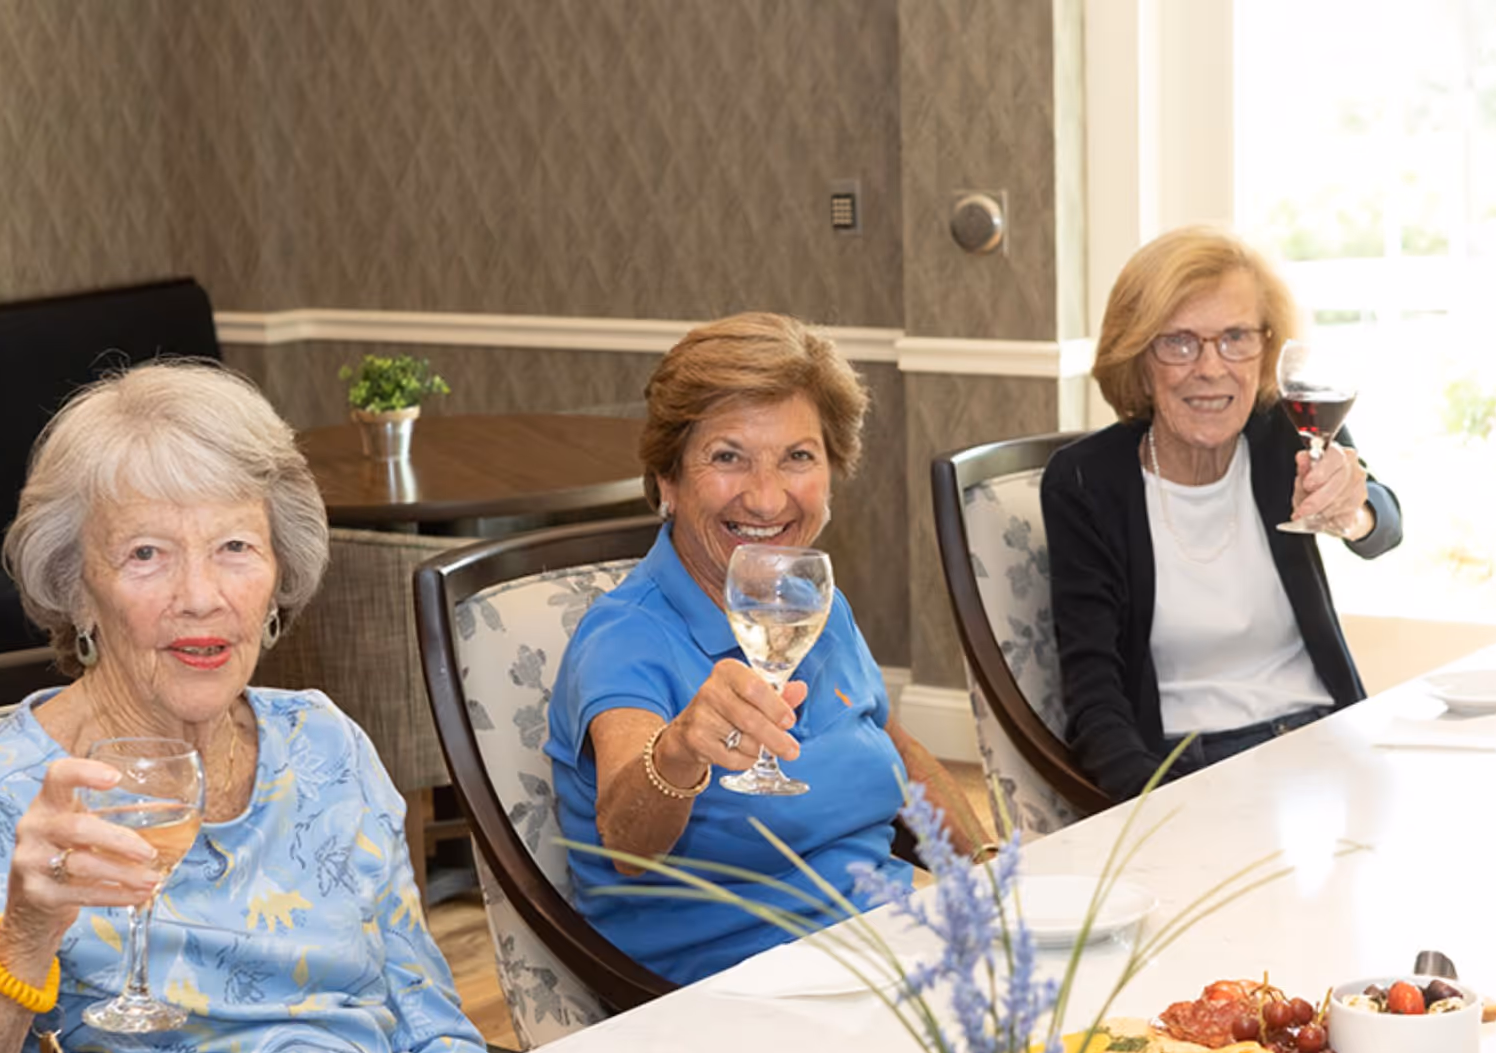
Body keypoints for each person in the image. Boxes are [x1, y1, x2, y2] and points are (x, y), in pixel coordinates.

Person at [0, 362, 492, 1053]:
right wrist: (22, 941)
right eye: (146, 554)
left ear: (278, 577)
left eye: (235, 547)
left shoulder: (327, 747)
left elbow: (432, 1023)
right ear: (78, 589)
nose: (201, 595)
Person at [547, 312, 984, 985]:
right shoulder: (626, 636)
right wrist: (682, 748)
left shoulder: (815, 605)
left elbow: (898, 755)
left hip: (887, 955)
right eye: (728, 458)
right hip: (735, 997)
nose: (767, 495)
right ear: (667, 480)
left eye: (798, 457)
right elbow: (627, 842)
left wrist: (998, 880)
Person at [1042, 225, 1403, 801]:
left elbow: (1384, 527)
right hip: (1193, 764)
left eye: (1236, 337)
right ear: (1138, 356)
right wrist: (1154, 803)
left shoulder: (1287, 432)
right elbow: (1093, 694)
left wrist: (1352, 509)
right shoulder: (1087, 480)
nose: (1211, 367)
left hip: (1328, 738)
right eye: (1179, 342)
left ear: (1266, 349)